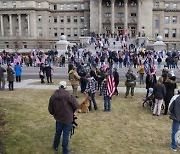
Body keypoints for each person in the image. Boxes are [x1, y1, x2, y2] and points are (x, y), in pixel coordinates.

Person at [48, 81, 79, 153]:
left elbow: (50, 109)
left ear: (59, 87)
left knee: (58, 132)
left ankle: (55, 146)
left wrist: (55, 114)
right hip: (67, 118)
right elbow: (76, 105)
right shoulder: (69, 96)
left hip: (59, 118)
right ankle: (65, 151)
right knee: (65, 135)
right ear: (65, 87)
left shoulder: (53, 97)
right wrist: (72, 112)